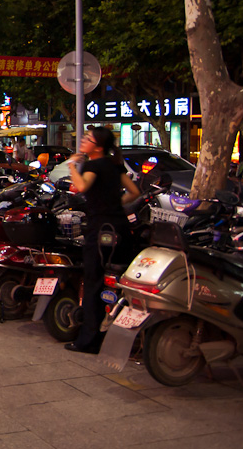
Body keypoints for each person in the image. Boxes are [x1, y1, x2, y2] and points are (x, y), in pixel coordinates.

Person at [65, 126, 141, 353]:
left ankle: (89, 341)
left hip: (99, 230)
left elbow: (81, 186)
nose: (83, 140)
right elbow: (134, 192)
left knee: (93, 283)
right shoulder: (114, 164)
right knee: (119, 279)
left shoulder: (93, 165)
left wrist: (71, 164)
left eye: (88, 138)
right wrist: (114, 204)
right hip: (121, 228)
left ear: (97, 147)